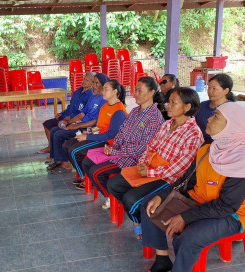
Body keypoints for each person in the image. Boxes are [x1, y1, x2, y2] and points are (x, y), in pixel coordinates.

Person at [141, 102, 245, 272]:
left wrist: (185, 217)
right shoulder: (207, 149)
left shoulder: (241, 161)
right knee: (149, 204)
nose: (209, 119)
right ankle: (162, 259)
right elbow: (185, 181)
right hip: (199, 200)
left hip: (231, 214)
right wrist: (162, 196)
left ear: (233, 125)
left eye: (216, 116)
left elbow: (226, 206)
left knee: (190, 237)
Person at [107, 87, 203, 240]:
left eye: (173, 102)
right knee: (113, 184)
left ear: (187, 107)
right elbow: (151, 146)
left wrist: (149, 173)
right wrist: (143, 163)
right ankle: (141, 219)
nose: (167, 105)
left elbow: (179, 168)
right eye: (168, 101)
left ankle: (143, 223)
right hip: (152, 170)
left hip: (169, 179)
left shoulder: (193, 134)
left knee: (130, 199)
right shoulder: (167, 125)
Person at [81, 76, 164, 201]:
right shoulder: (135, 111)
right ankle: (111, 196)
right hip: (120, 152)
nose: (135, 94)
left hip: (133, 159)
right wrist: (114, 146)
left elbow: (142, 148)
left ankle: (113, 198)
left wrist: (115, 151)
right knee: (87, 163)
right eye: (135, 90)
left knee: (96, 172)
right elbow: (122, 131)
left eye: (139, 91)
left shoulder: (154, 117)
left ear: (152, 92)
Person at [62, 79, 127, 186]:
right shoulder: (105, 107)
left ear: (115, 92)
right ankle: (84, 175)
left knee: (74, 151)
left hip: (108, 142)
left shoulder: (119, 110)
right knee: (66, 145)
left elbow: (110, 135)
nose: (103, 91)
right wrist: (87, 132)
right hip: (99, 136)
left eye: (106, 89)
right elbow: (98, 127)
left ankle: (86, 179)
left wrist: (87, 137)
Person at [46, 73, 109, 173]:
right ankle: (59, 159)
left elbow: (95, 122)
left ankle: (65, 162)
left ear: (104, 85)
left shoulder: (104, 100)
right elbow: (82, 114)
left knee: (59, 134)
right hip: (81, 125)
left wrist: (76, 126)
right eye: (94, 83)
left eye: (97, 83)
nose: (94, 86)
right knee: (54, 129)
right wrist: (69, 122)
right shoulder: (93, 97)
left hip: (88, 129)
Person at [38, 73, 94, 154]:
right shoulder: (77, 92)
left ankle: (57, 153)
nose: (84, 81)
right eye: (84, 79)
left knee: (57, 131)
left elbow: (82, 114)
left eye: (87, 80)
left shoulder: (90, 96)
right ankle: (50, 147)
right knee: (47, 124)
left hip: (73, 120)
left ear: (92, 84)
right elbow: (70, 106)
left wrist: (70, 119)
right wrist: (61, 113)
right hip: (65, 117)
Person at [195, 73, 235, 144]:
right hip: (198, 142)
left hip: (219, 146)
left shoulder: (231, 109)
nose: (210, 91)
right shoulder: (202, 105)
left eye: (214, 88)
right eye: (209, 87)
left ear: (226, 91)